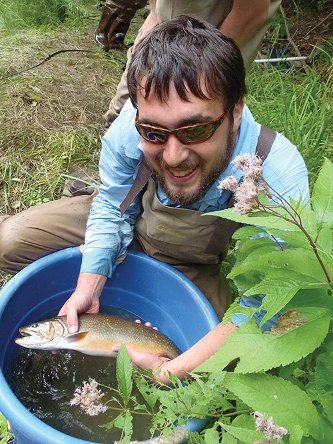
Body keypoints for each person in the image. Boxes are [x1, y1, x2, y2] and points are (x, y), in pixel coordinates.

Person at [0, 17, 309, 382]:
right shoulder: (131, 124)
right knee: (9, 241)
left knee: (233, 369)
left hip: (189, 262)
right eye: (154, 133)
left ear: (235, 111)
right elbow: (112, 204)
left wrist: (169, 371)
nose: (175, 155)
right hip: (128, 221)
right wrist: (90, 282)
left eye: (196, 130)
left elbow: (267, 306)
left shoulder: (275, 174)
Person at [104, 0, 282, 126]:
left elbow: (252, 12)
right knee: (121, 113)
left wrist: (206, 63)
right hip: (163, 30)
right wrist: (154, 11)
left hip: (212, 43)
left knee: (185, 130)